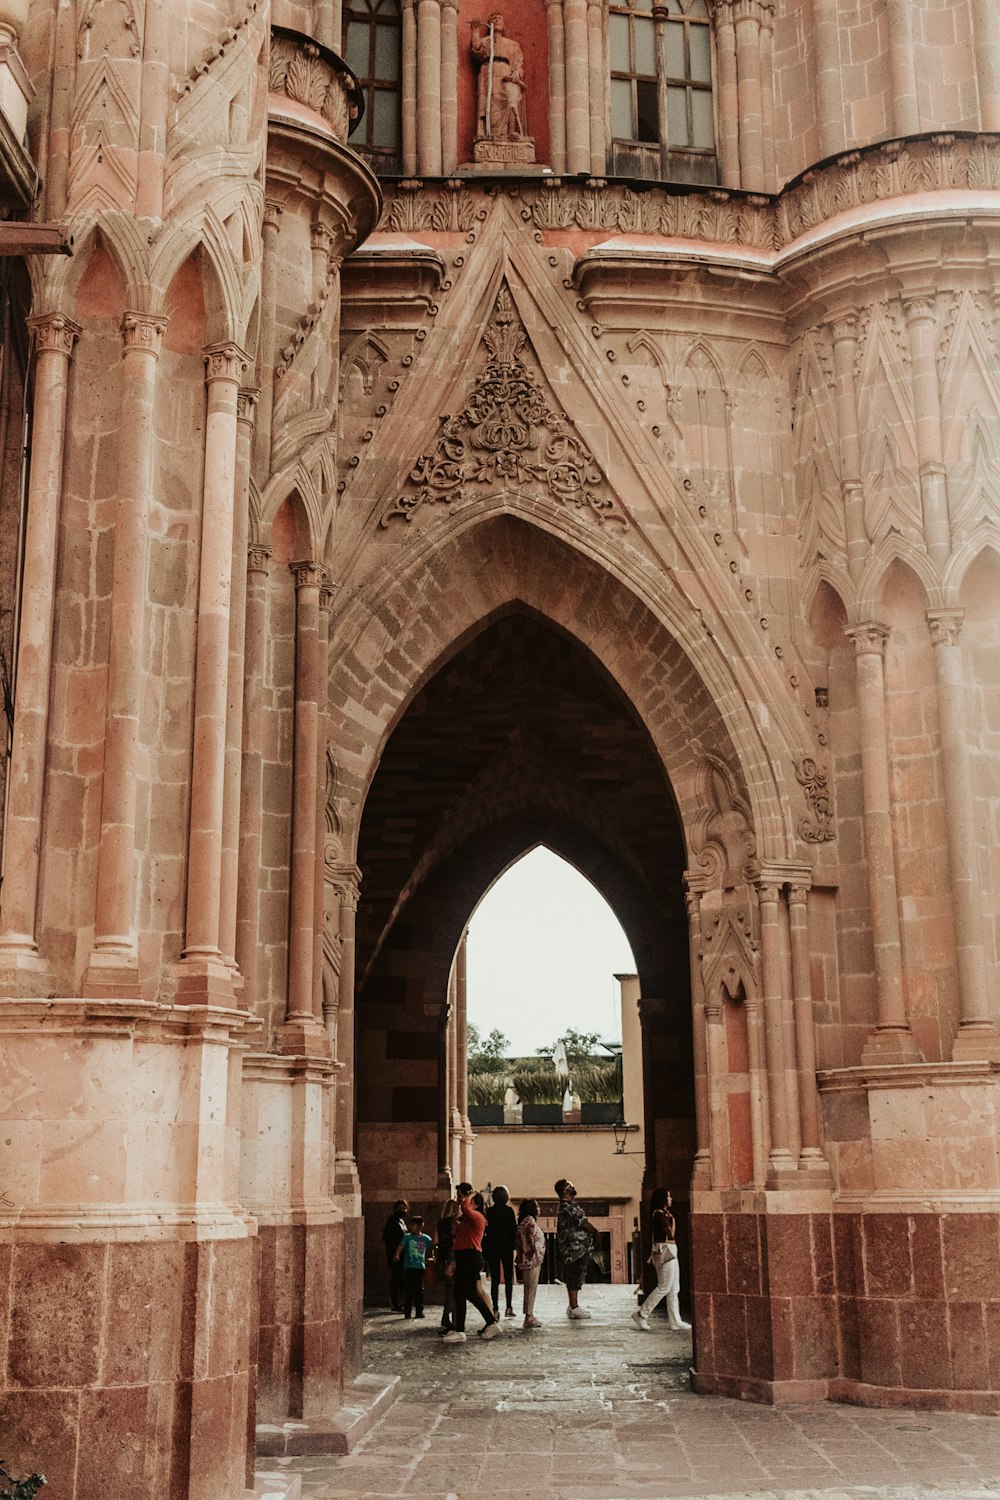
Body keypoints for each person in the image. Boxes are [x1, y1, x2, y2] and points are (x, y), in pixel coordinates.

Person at [442, 1182, 502, 1343]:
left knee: (459, 1294)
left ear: (473, 1200)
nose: (459, 1200)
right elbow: (456, 1234)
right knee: (470, 1294)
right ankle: (491, 1323)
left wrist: (468, 1196)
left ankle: (460, 1331)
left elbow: (466, 1208)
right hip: (465, 1257)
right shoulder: (467, 1219)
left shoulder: (478, 1217)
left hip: (470, 1257)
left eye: (461, 1196)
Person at [631, 1188, 691, 1332]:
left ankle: (675, 1320)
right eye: (668, 1196)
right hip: (664, 1249)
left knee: (674, 1288)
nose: (670, 1199)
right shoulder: (658, 1214)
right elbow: (670, 1232)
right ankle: (641, 1314)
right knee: (664, 1286)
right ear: (662, 1199)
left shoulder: (663, 1214)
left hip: (670, 1249)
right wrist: (672, 1220)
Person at [470, 13, 527, 141]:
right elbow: (476, 50)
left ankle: (510, 133)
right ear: (489, 24)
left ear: (504, 24)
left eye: (500, 18)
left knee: (510, 99)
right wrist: (475, 31)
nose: (497, 20)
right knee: (488, 103)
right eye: (494, 18)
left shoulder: (512, 44)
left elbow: (518, 62)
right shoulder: (485, 41)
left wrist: (517, 72)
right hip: (488, 72)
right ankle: (488, 134)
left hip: (505, 72)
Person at [555, 1178, 597, 1319]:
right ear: (566, 1190)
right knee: (575, 1275)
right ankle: (574, 1306)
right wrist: (595, 1232)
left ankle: (572, 1306)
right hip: (575, 1249)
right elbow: (583, 1222)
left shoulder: (565, 1206)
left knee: (574, 1274)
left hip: (574, 1248)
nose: (574, 1187)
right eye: (571, 1185)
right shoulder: (569, 1207)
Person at [484, 1184, 518, 1319]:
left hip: (493, 1247)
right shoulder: (509, 1211)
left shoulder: (490, 1211)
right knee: (508, 1278)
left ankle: (495, 1309)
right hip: (506, 1247)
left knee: (495, 1279)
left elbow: (487, 1229)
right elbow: (513, 1230)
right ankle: (509, 1307)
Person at [395, 1214, 433, 1319]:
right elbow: (401, 1246)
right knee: (409, 1290)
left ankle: (419, 1311)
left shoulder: (425, 1238)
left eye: (413, 1225)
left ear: (420, 1226)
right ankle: (407, 1311)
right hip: (409, 1266)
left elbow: (433, 1246)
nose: (411, 1227)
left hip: (420, 1267)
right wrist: (397, 1254)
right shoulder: (407, 1237)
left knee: (419, 1290)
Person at [515, 1197, 545, 1328]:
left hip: (525, 1259)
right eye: (537, 1206)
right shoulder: (530, 1221)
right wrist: (533, 1254)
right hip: (531, 1260)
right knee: (531, 1288)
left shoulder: (522, 1221)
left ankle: (528, 1314)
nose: (539, 1209)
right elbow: (531, 1238)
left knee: (528, 1288)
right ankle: (529, 1316)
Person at [435, 1198, 460, 1333]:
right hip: (451, 1259)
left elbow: (436, 1240)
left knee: (449, 1291)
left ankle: (450, 1319)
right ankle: (447, 1318)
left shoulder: (440, 1223)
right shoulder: (455, 1223)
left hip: (441, 1258)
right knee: (453, 1292)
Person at [382, 1199, 408, 1312]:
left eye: (404, 1208)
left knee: (401, 1278)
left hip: (403, 1254)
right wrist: (395, 1251)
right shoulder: (392, 1221)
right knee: (396, 1277)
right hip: (395, 1254)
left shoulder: (401, 1221)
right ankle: (395, 1302)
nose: (402, 1210)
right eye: (400, 1208)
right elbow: (387, 1237)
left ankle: (400, 1301)